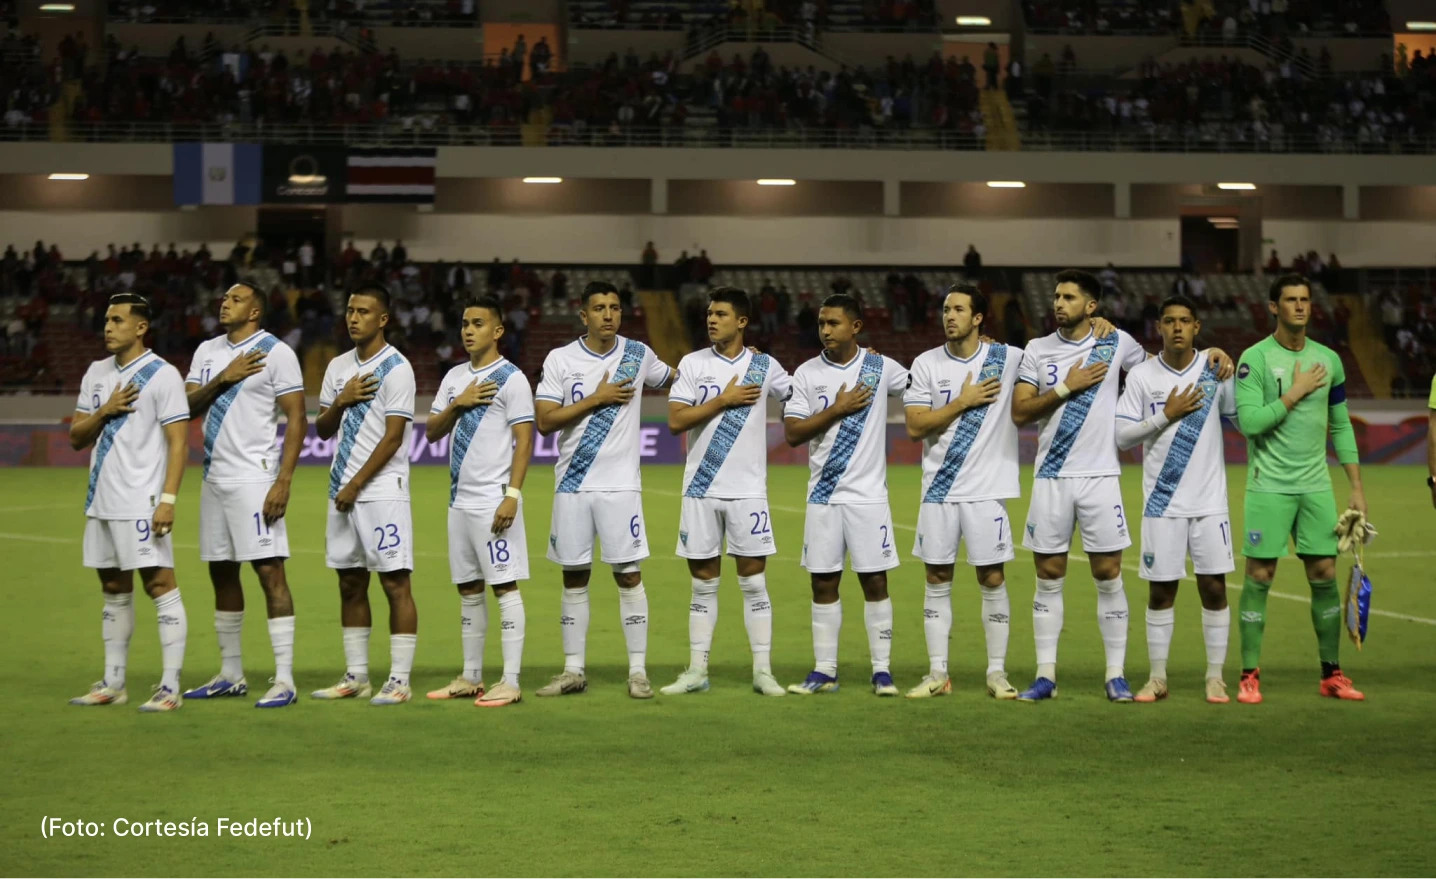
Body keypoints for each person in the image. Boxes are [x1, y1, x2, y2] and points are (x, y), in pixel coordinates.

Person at [1010, 269, 1232, 703]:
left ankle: (1115, 675)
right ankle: (1045, 676)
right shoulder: (1037, 350)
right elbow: (1021, 412)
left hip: (1101, 478)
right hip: (1051, 476)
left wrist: (1214, 354)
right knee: (1048, 575)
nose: (1058, 303)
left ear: (1091, 306)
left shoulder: (1119, 343)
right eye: (1057, 296)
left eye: (1069, 297)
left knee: (1109, 574)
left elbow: (1162, 364)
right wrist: (1064, 388)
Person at [532, 281, 677, 699]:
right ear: (584, 315)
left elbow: (678, 378)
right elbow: (545, 420)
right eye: (599, 308)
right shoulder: (561, 359)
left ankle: (637, 672)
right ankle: (573, 670)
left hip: (620, 488)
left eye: (614, 307)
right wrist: (596, 398)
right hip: (573, 485)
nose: (608, 314)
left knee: (628, 575)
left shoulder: (638, 354)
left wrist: (731, 365)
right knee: (573, 576)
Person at [1233, 275, 1367, 703]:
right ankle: (1249, 674)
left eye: (1305, 299)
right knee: (1259, 576)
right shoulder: (1253, 360)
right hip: (1268, 486)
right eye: (1290, 300)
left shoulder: (1329, 360)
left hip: (1316, 487)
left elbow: (1342, 425)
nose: (1299, 306)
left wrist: (1356, 487)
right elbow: (1250, 424)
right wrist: (1294, 391)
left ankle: (1332, 673)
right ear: (1273, 307)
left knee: (1325, 575)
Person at [180, 281, 308, 709]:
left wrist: (283, 479)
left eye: (235, 299)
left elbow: (296, 417)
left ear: (255, 311)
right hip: (214, 479)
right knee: (222, 571)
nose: (224, 302)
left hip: (255, 479)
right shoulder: (207, 352)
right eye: (224, 296)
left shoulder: (277, 352)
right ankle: (231, 674)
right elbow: (187, 407)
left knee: (270, 572)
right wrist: (224, 377)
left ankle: (285, 679)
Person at [661, 287, 792, 698]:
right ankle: (697, 670)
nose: (711, 320)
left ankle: (763, 671)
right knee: (702, 584)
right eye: (709, 314)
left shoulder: (765, 365)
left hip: (748, 491)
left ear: (742, 321)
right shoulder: (692, 364)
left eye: (720, 314)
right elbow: (676, 421)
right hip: (700, 490)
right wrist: (725, 399)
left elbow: (799, 392)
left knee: (754, 584)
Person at [69, 292, 192, 712]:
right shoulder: (95, 373)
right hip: (101, 500)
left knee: (160, 585)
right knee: (112, 588)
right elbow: (75, 438)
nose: (108, 326)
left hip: (143, 501)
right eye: (106, 319)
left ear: (141, 327)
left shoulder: (163, 375)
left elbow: (179, 444)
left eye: (118, 320)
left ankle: (170, 687)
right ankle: (113, 682)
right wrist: (105, 410)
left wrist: (168, 500)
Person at [783, 294, 910, 697]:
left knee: (875, 581)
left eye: (833, 323)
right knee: (823, 582)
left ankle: (882, 671)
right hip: (823, 495)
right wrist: (837, 408)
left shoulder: (881, 368)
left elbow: (922, 386)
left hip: (869, 497)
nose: (824, 330)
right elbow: (793, 433)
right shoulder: (805, 373)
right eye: (821, 323)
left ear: (855, 327)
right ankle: (825, 671)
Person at [902, 284, 1024, 699]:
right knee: (936, 577)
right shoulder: (925, 363)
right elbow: (916, 426)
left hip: (987, 491)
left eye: (958, 309)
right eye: (944, 309)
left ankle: (996, 673)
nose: (948, 316)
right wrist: (964, 400)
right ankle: (938, 674)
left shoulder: (1007, 358)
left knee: (992, 578)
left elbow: (1060, 356)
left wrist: (1100, 325)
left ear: (977, 318)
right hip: (938, 490)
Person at [1114, 296, 1236, 705]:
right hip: (1162, 502)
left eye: (1185, 321)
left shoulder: (1215, 371)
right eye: (1170, 321)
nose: (1178, 327)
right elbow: (1122, 436)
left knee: (1214, 588)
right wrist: (1166, 415)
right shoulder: (1143, 376)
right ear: (1159, 328)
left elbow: (1240, 417)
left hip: (1209, 502)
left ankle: (1215, 678)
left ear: (1197, 327)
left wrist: (1233, 367)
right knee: (1161, 592)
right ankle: (1157, 678)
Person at [424, 295, 535, 707]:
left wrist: (512, 496)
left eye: (478, 323)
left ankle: (510, 680)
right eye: (465, 323)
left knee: (505, 587)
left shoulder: (512, 378)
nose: (468, 330)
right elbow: (432, 431)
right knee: (469, 590)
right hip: (459, 503)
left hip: (493, 502)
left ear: (498, 330)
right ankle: (471, 676)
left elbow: (525, 441)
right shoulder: (454, 377)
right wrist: (458, 402)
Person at [312, 284, 420, 706]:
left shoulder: (397, 368)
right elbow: (322, 430)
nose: (353, 317)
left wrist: (356, 485)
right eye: (350, 310)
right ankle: (356, 675)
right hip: (342, 489)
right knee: (350, 582)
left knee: (395, 582)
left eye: (364, 311)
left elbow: (394, 438)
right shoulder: (338, 366)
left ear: (383, 319)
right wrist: (340, 401)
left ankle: (399, 680)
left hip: (379, 492)